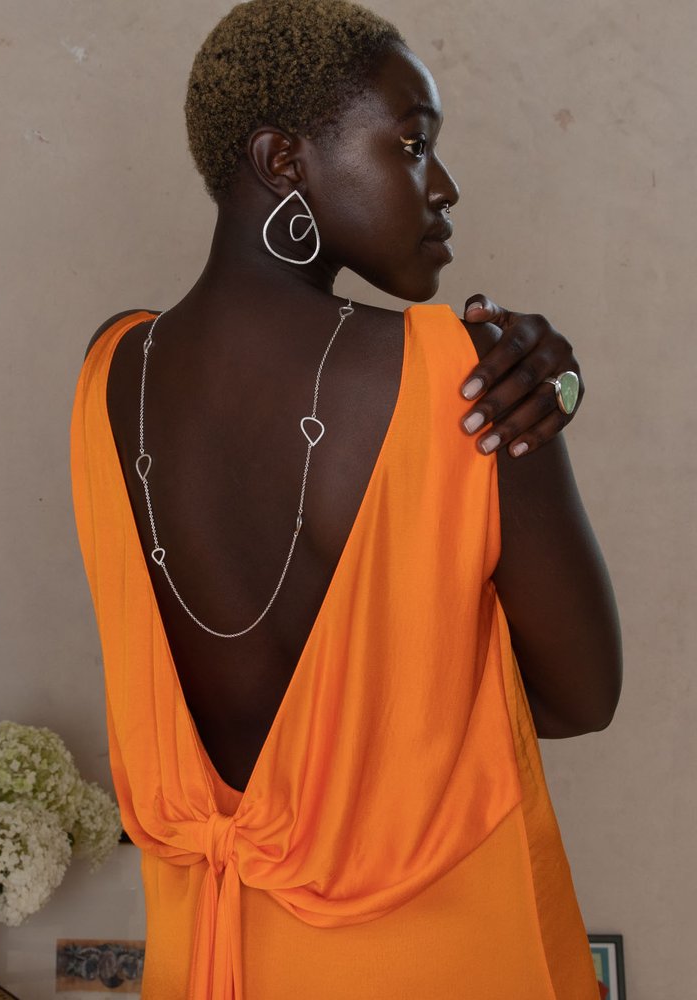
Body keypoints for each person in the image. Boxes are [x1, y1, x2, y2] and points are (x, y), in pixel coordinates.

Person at [70, 2, 621, 997]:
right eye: (410, 145)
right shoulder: (467, 379)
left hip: (208, 962)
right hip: (439, 960)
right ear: (284, 160)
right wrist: (549, 399)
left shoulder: (111, 369)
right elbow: (582, 698)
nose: (443, 188)